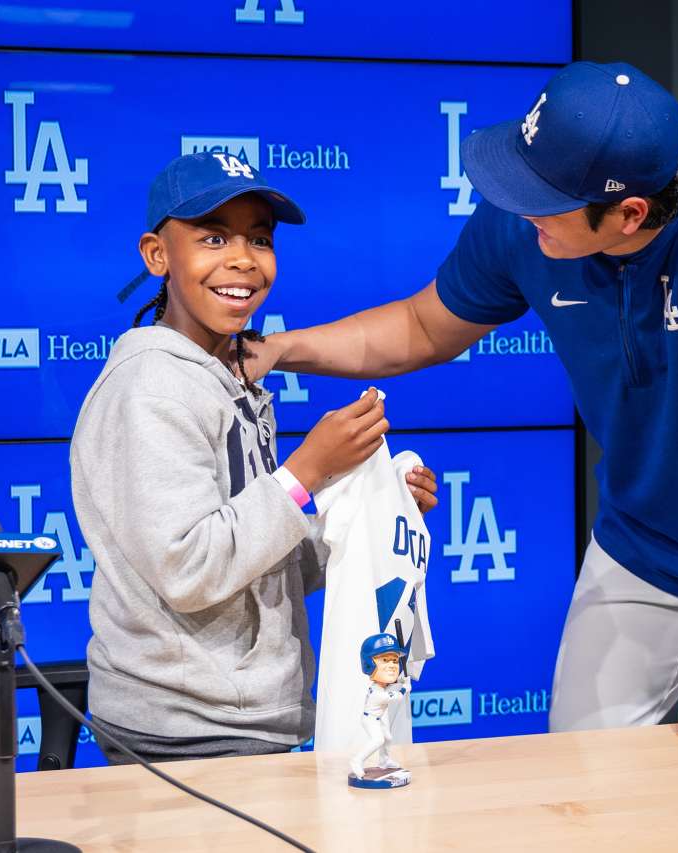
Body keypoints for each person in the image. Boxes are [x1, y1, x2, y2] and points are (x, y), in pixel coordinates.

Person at [247, 62, 678, 746]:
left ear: (630, 213)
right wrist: (281, 349)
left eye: (541, 200)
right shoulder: (535, 212)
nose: (519, 207)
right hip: (643, 538)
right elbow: (424, 326)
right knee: (584, 765)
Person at [70, 152, 438, 764]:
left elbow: (265, 564)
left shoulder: (230, 375)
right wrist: (307, 472)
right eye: (214, 237)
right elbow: (190, 569)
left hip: (246, 718)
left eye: (259, 240)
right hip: (185, 729)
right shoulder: (152, 386)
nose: (242, 259)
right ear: (157, 256)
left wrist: (371, 507)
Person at [349, 633, 410, 783]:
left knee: (388, 738)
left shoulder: (382, 686)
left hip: (379, 717)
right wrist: (405, 688)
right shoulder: (377, 692)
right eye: (385, 660)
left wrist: (401, 680)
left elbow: (391, 685)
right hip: (370, 719)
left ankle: (385, 761)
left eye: (395, 660)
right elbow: (396, 697)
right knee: (378, 740)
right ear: (369, 664)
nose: (392, 665)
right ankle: (357, 761)